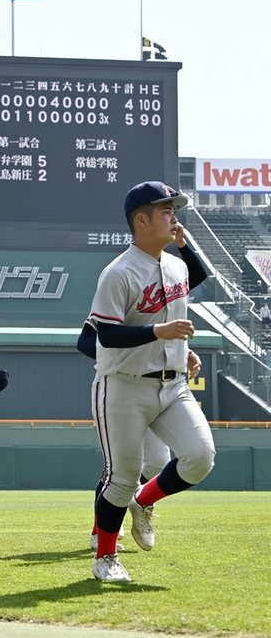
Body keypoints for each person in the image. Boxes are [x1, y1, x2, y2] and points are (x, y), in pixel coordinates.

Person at [87, 182, 216, 582]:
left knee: (200, 458)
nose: (174, 216)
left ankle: (144, 501)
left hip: (172, 384)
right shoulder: (118, 272)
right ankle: (105, 557)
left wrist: (178, 349)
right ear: (141, 220)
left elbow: (196, 277)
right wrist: (160, 333)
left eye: (174, 209)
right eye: (165, 210)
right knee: (121, 477)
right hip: (123, 384)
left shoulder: (175, 264)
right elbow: (105, 335)